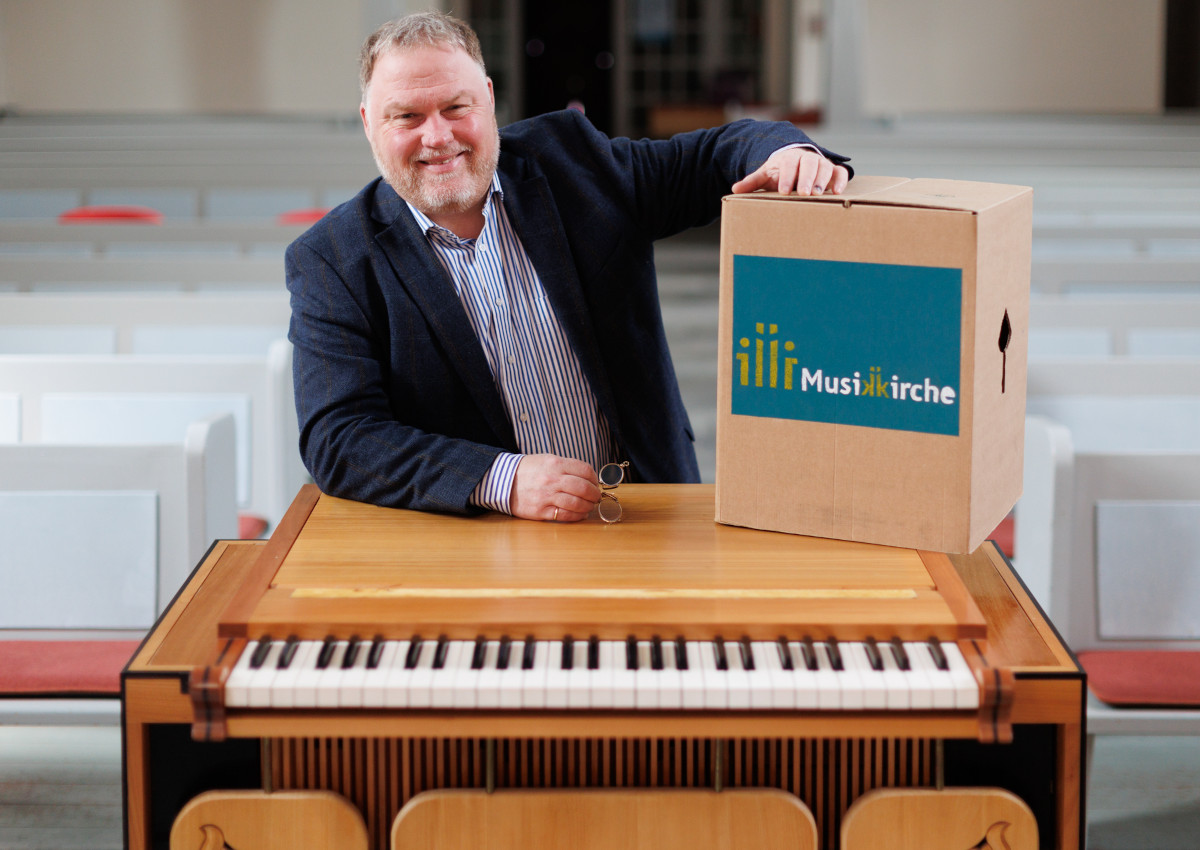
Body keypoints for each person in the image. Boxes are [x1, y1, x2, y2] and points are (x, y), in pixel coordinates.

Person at [286, 11, 851, 523]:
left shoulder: (572, 160)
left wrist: (784, 154)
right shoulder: (332, 258)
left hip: (649, 508)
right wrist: (498, 479)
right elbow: (340, 437)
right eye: (406, 115)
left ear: (487, 99)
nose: (438, 136)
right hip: (485, 541)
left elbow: (706, 158)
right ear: (368, 122)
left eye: (456, 108)